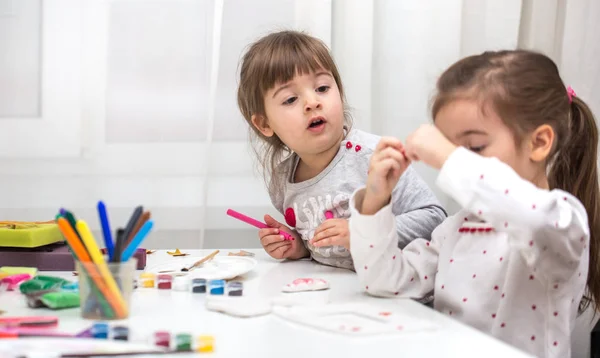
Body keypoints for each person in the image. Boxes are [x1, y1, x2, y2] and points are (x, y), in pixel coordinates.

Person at [349, 49, 599, 357]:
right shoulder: (458, 228)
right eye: (451, 146)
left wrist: (449, 157)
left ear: (539, 142)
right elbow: (385, 281)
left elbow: (528, 215)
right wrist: (375, 199)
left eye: (474, 147)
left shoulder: (562, 221)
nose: (448, 160)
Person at [236, 30, 446, 270]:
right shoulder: (282, 181)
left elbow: (435, 219)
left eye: (322, 88)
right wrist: (298, 246)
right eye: (290, 99)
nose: (312, 102)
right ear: (264, 124)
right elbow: (322, 247)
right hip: (335, 294)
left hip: (397, 292)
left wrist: (363, 233)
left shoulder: (374, 157)